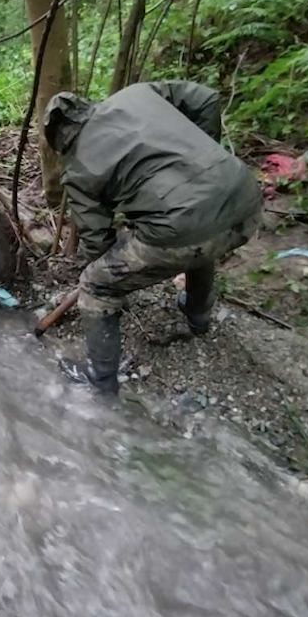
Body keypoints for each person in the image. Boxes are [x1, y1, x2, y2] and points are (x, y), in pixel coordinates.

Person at [44, 80, 263, 395]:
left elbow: (96, 242)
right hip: (246, 200)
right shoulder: (137, 95)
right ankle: (197, 315)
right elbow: (206, 99)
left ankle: (100, 380)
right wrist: (205, 154)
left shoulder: (77, 168)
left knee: (95, 284)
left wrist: (111, 268)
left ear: (58, 143)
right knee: (199, 237)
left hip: (187, 230)